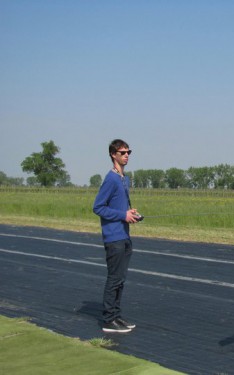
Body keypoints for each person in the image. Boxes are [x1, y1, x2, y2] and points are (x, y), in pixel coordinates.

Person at [93, 139, 140, 333]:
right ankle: (108, 319)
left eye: (128, 152)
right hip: (114, 237)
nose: (126, 155)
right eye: (122, 152)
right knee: (114, 278)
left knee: (121, 279)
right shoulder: (111, 179)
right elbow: (98, 207)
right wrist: (123, 215)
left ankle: (116, 316)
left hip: (124, 235)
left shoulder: (124, 178)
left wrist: (131, 213)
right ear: (113, 155)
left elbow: (120, 206)